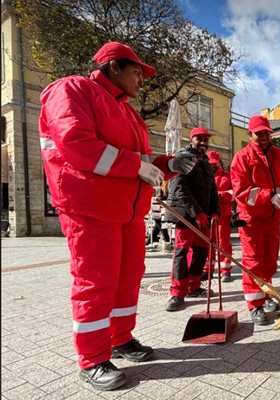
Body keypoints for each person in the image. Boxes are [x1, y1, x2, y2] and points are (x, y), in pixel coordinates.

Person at [39, 41, 197, 391]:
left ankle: (121, 339)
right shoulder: (71, 90)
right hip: (90, 209)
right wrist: (136, 166)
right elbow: (77, 145)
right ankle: (93, 359)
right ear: (113, 67)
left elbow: (137, 159)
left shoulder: (125, 111)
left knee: (127, 278)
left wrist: (169, 165)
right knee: (96, 283)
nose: (142, 79)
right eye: (137, 71)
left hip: (126, 211)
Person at [230, 115, 280, 325]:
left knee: (270, 261)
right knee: (254, 262)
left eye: (266, 133)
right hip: (251, 220)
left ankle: (267, 294)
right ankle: (255, 304)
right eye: (258, 133)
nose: (263, 137)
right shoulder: (242, 157)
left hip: (273, 219)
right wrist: (269, 196)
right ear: (250, 133)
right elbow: (242, 191)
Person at [164, 127, 219, 312]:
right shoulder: (183, 157)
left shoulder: (205, 161)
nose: (204, 142)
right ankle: (177, 293)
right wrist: (196, 212)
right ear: (191, 139)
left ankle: (193, 286)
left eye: (206, 139)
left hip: (204, 217)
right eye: (200, 139)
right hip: (186, 216)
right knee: (182, 253)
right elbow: (180, 188)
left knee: (201, 252)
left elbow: (212, 190)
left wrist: (215, 212)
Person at [206, 151, 234, 282]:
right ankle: (208, 270)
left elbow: (234, 194)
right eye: (210, 163)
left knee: (223, 243)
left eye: (214, 163)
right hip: (207, 214)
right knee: (208, 242)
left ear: (218, 162)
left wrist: (219, 196)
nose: (212, 166)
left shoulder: (226, 177)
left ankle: (225, 271)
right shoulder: (203, 175)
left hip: (223, 214)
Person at [146, 183, 171, 250]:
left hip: (160, 200)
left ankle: (149, 241)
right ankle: (167, 241)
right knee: (160, 222)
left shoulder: (164, 182)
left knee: (159, 222)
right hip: (157, 200)